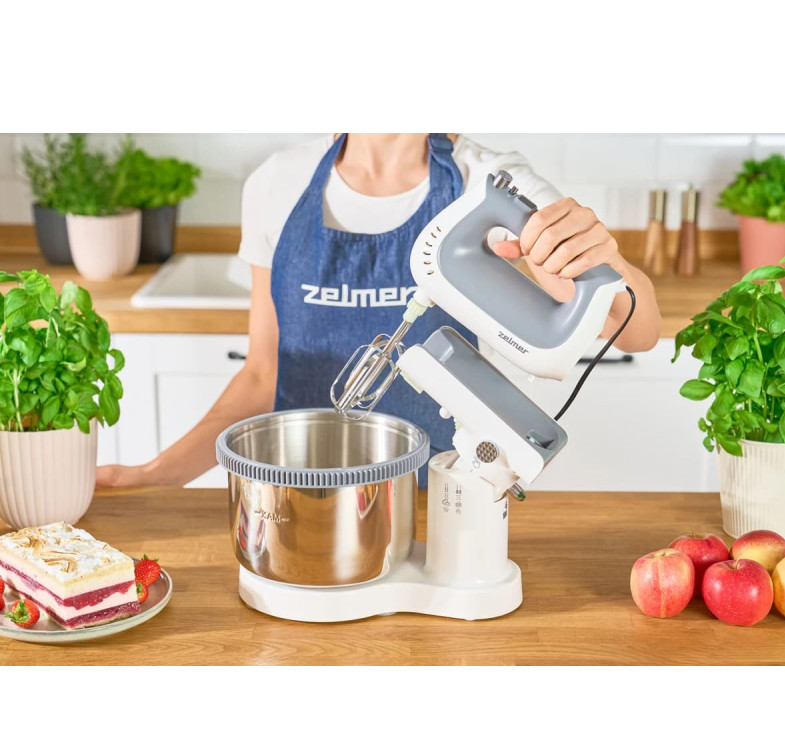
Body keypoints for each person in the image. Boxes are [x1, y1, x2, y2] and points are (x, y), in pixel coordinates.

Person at [96, 133, 661, 489]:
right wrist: (153, 476)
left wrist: (599, 256)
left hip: (440, 504)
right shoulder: (277, 183)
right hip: (293, 501)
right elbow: (262, 377)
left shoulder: (490, 185)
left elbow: (636, 332)